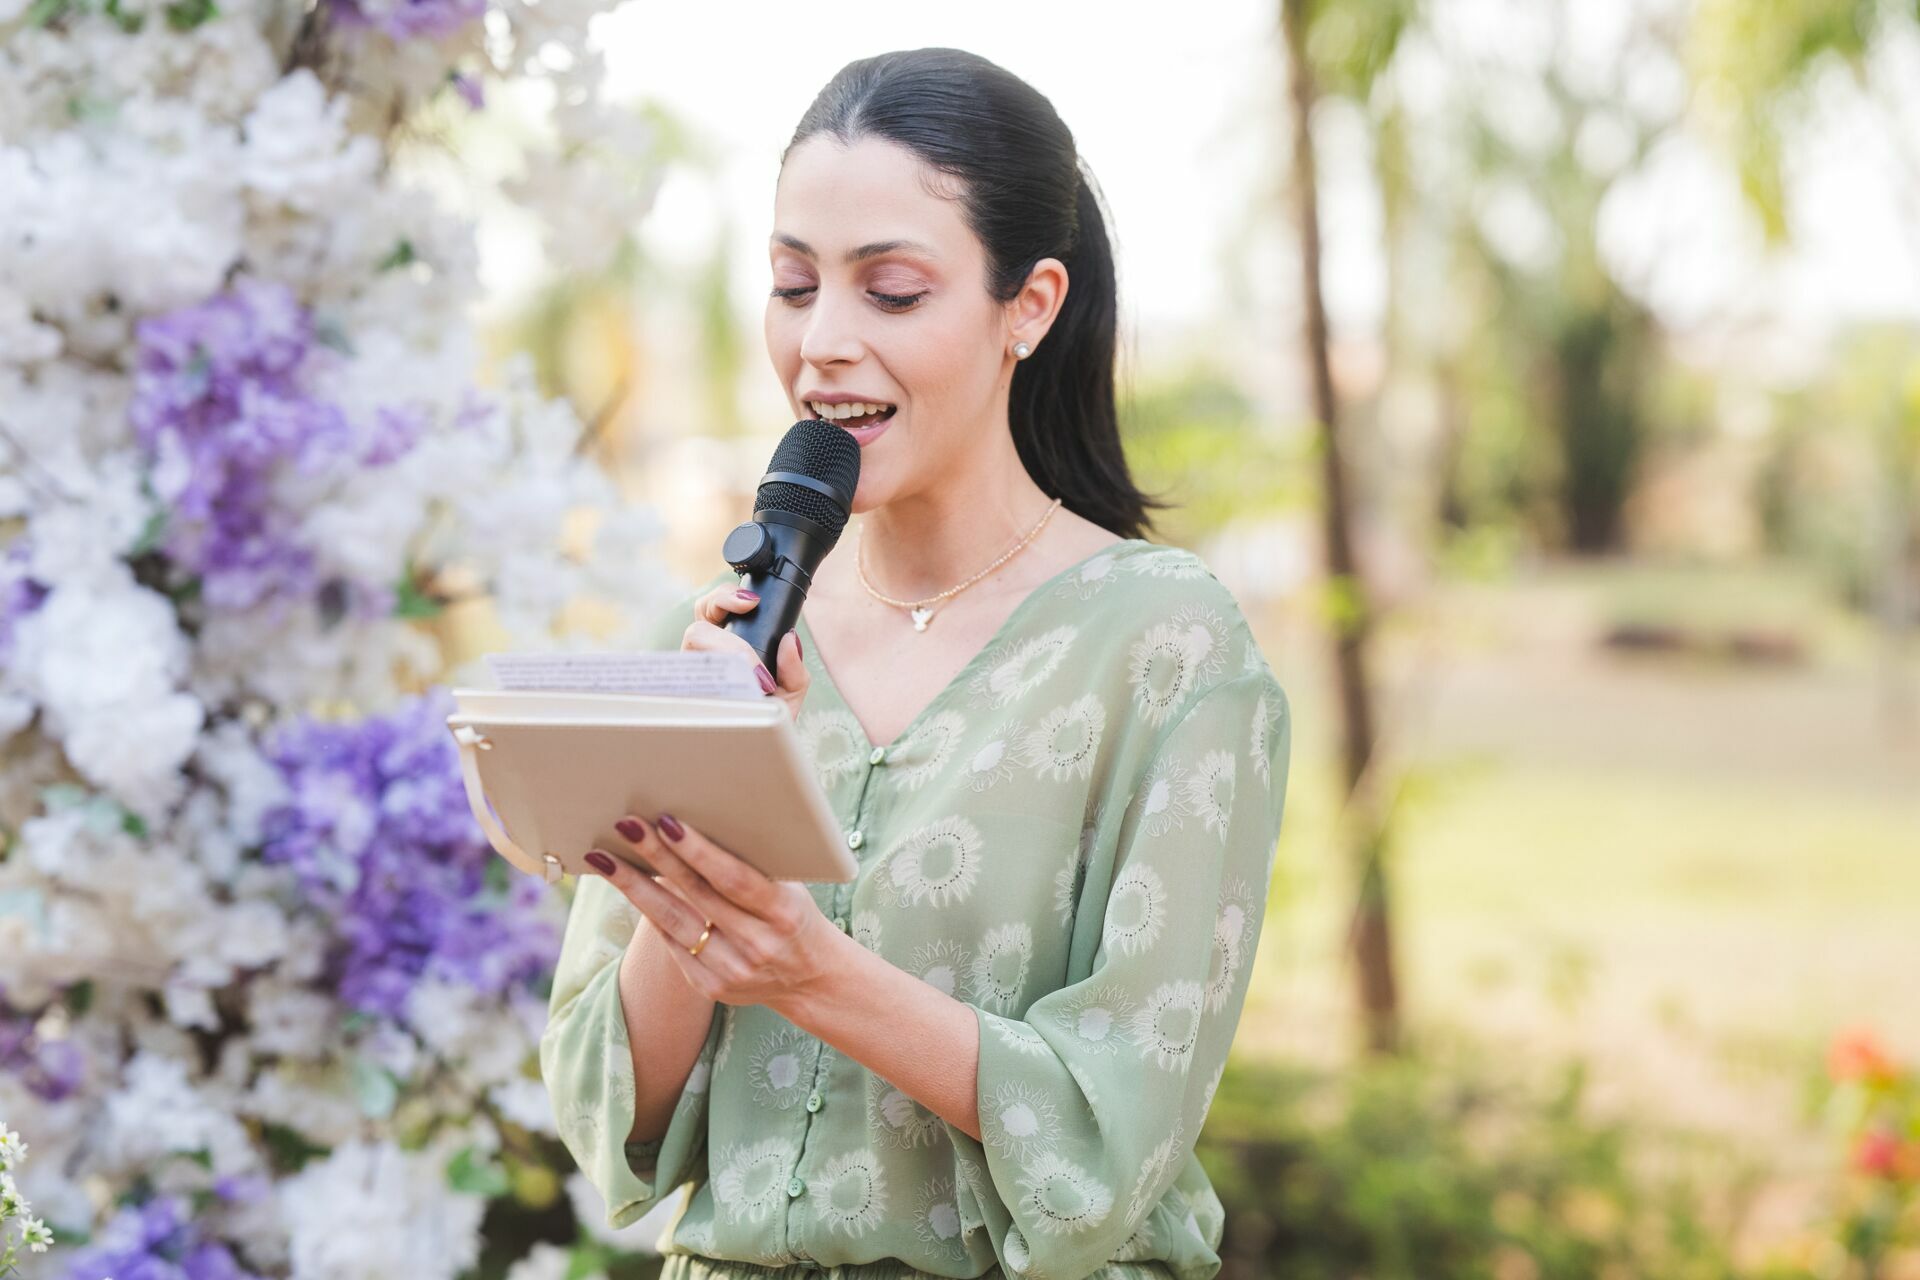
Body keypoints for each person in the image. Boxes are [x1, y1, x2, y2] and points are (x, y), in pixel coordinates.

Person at [540, 47, 1293, 1280]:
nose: (823, 342)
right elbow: (610, 1122)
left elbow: (1114, 1145)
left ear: (1029, 306)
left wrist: (813, 970)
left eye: (890, 291)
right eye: (792, 284)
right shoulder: (722, 637)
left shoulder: (1169, 648)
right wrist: (699, 835)